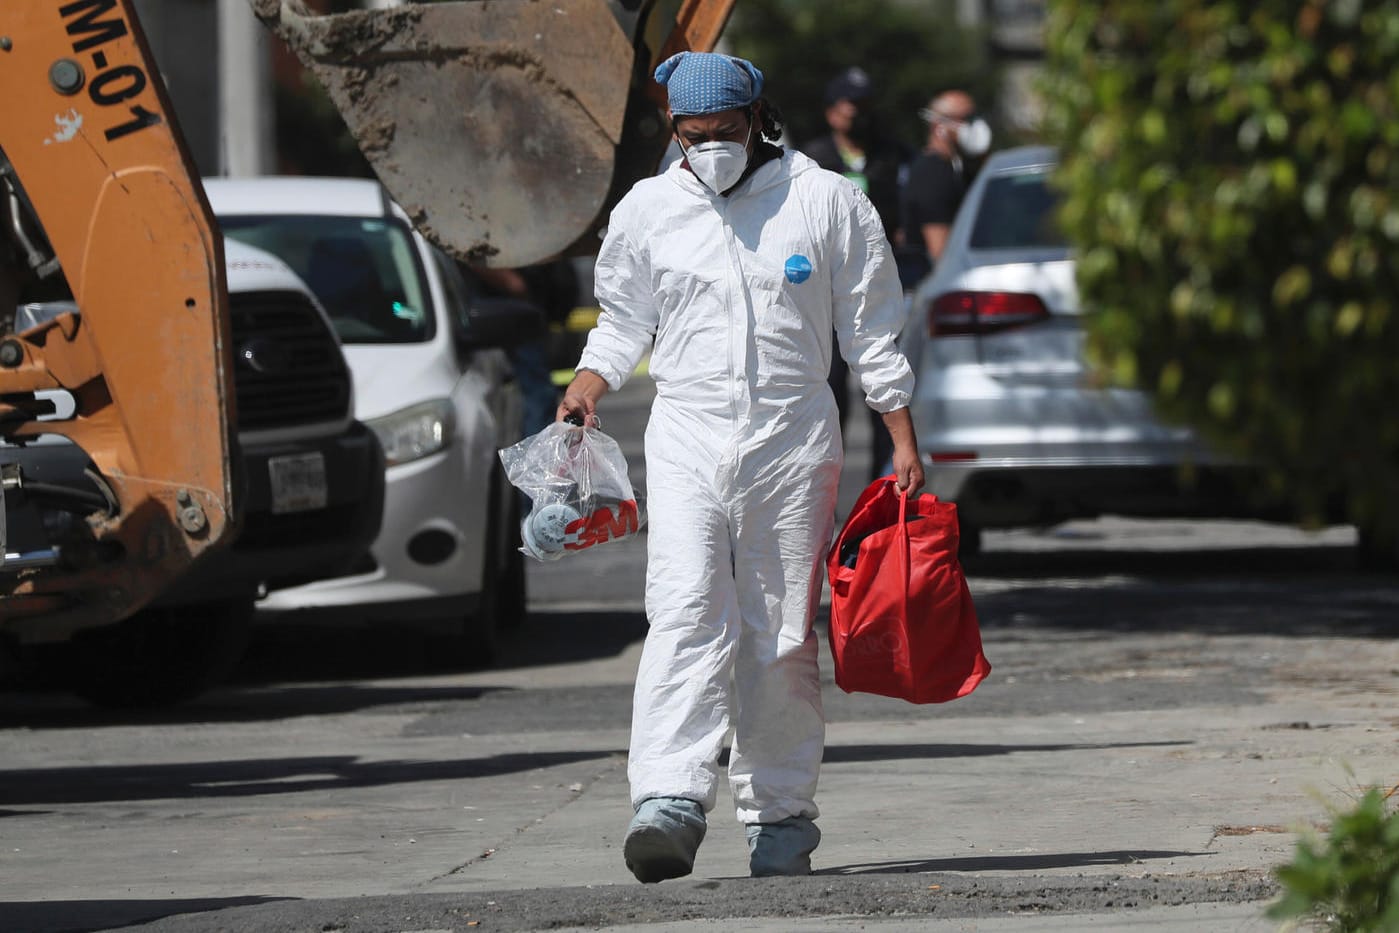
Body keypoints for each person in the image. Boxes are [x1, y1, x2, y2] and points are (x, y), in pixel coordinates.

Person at [557, 52, 924, 884]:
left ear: (759, 118)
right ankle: (668, 799)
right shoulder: (649, 209)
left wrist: (900, 433)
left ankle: (780, 816)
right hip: (687, 430)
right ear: (673, 132)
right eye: (696, 136)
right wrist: (588, 380)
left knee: (780, 630)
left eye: (727, 132)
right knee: (685, 609)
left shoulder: (825, 201)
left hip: (793, 437)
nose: (713, 148)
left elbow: (871, 329)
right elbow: (622, 319)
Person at [800, 68, 914, 480]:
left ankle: (886, 481)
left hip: (879, 285)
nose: (860, 119)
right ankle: (824, 482)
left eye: (866, 110)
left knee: (884, 383)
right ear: (832, 113)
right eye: (852, 111)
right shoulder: (812, 162)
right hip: (824, 291)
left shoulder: (896, 156)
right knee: (829, 394)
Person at [901, 89, 992, 277]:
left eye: (975, 118)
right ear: (938, 125)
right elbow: (940, 252)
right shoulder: (932, 173)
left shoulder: (955, 168)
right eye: (965, 119)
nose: (974, 126)